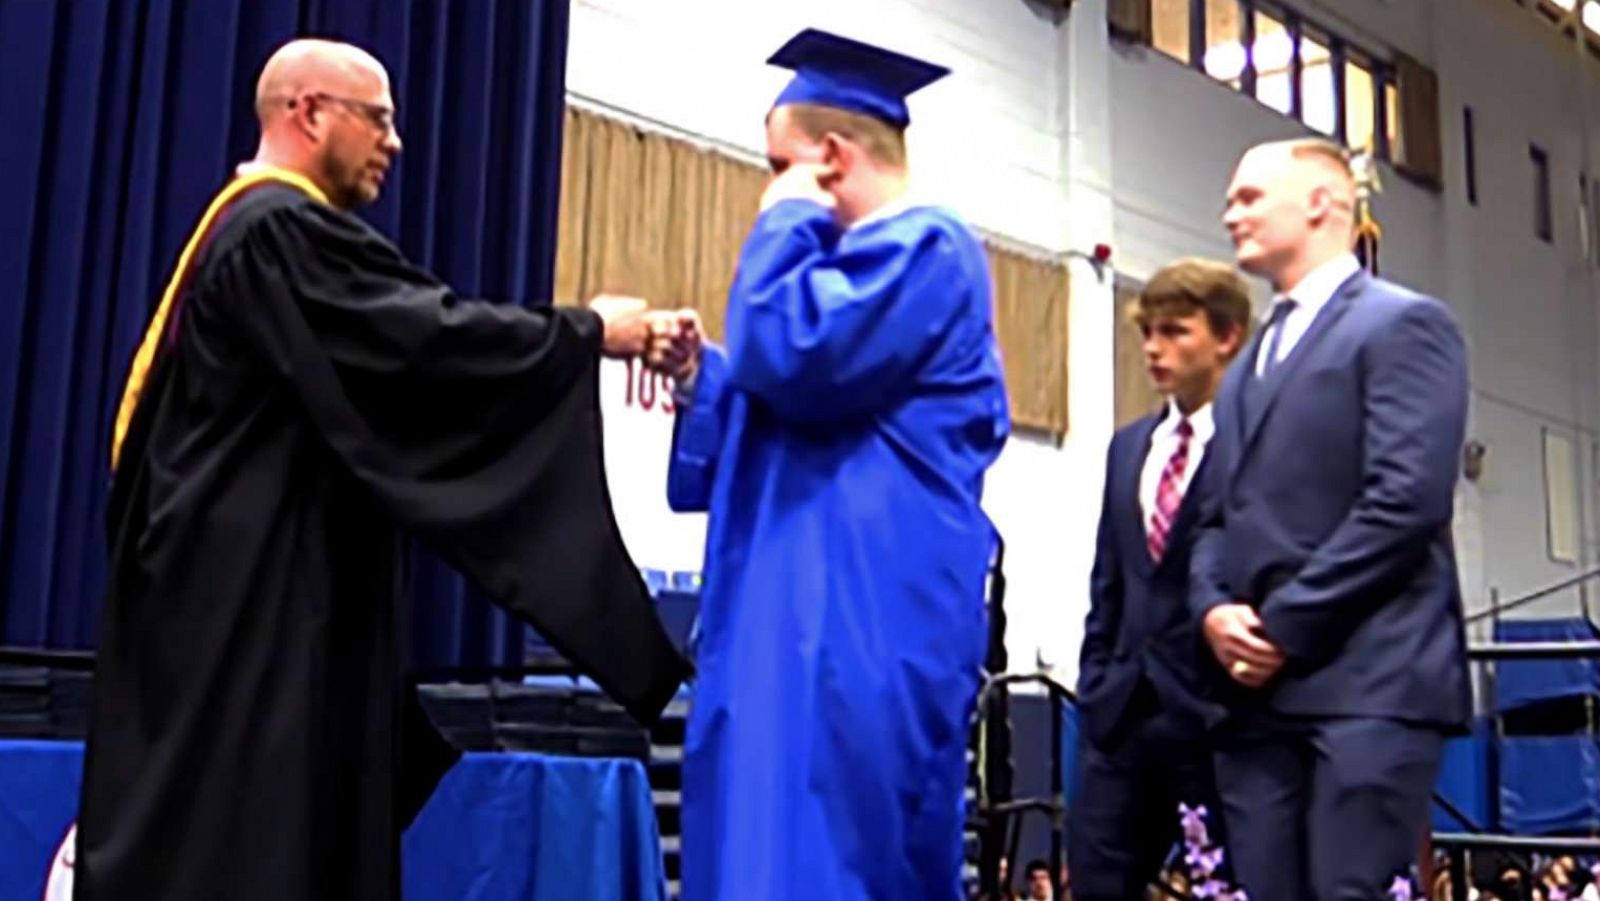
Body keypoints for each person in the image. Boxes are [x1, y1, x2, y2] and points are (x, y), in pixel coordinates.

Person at [76, 38, 691, 901]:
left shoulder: (250, 236)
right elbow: (425, 344)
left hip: (234, 616)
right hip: (250, 633)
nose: (395, 142)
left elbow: (398, 368)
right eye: (381, 118)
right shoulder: (274, 231)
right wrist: (589, 333)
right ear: (309, 113)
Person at [655, 27, 1010, 901]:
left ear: (831, 159)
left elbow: (798, 358)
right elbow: (789, 394)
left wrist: (782, 222)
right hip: (798, 614)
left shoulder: (928, 249)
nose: (767, 186)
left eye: (778, 164)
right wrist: (707, 379)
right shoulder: (843, 273)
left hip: (859, 622)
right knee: (762, 851)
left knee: (829, 858)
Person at [1190, 137, 1471, 901]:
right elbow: (1212, 514)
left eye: (1249, 197)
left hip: (1369, 683)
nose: (1229, 214)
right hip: (1256, 698)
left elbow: (1405, 500)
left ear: (1320, 202)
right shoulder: (1247, 366)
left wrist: (1280, 626)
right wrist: (1214, 608)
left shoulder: (1404, 327)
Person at [1069, 259, 1251, 901]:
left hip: (1216, 716)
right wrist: (1095, 682)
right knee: (1096, 883)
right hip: (1121, 713)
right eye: (1148, 332)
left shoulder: (1258, 442)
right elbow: (1109, 581)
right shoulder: (1129, 447)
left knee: (1227, 886)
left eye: (1174, 332)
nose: (1153, 349)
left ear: (1226, 337)